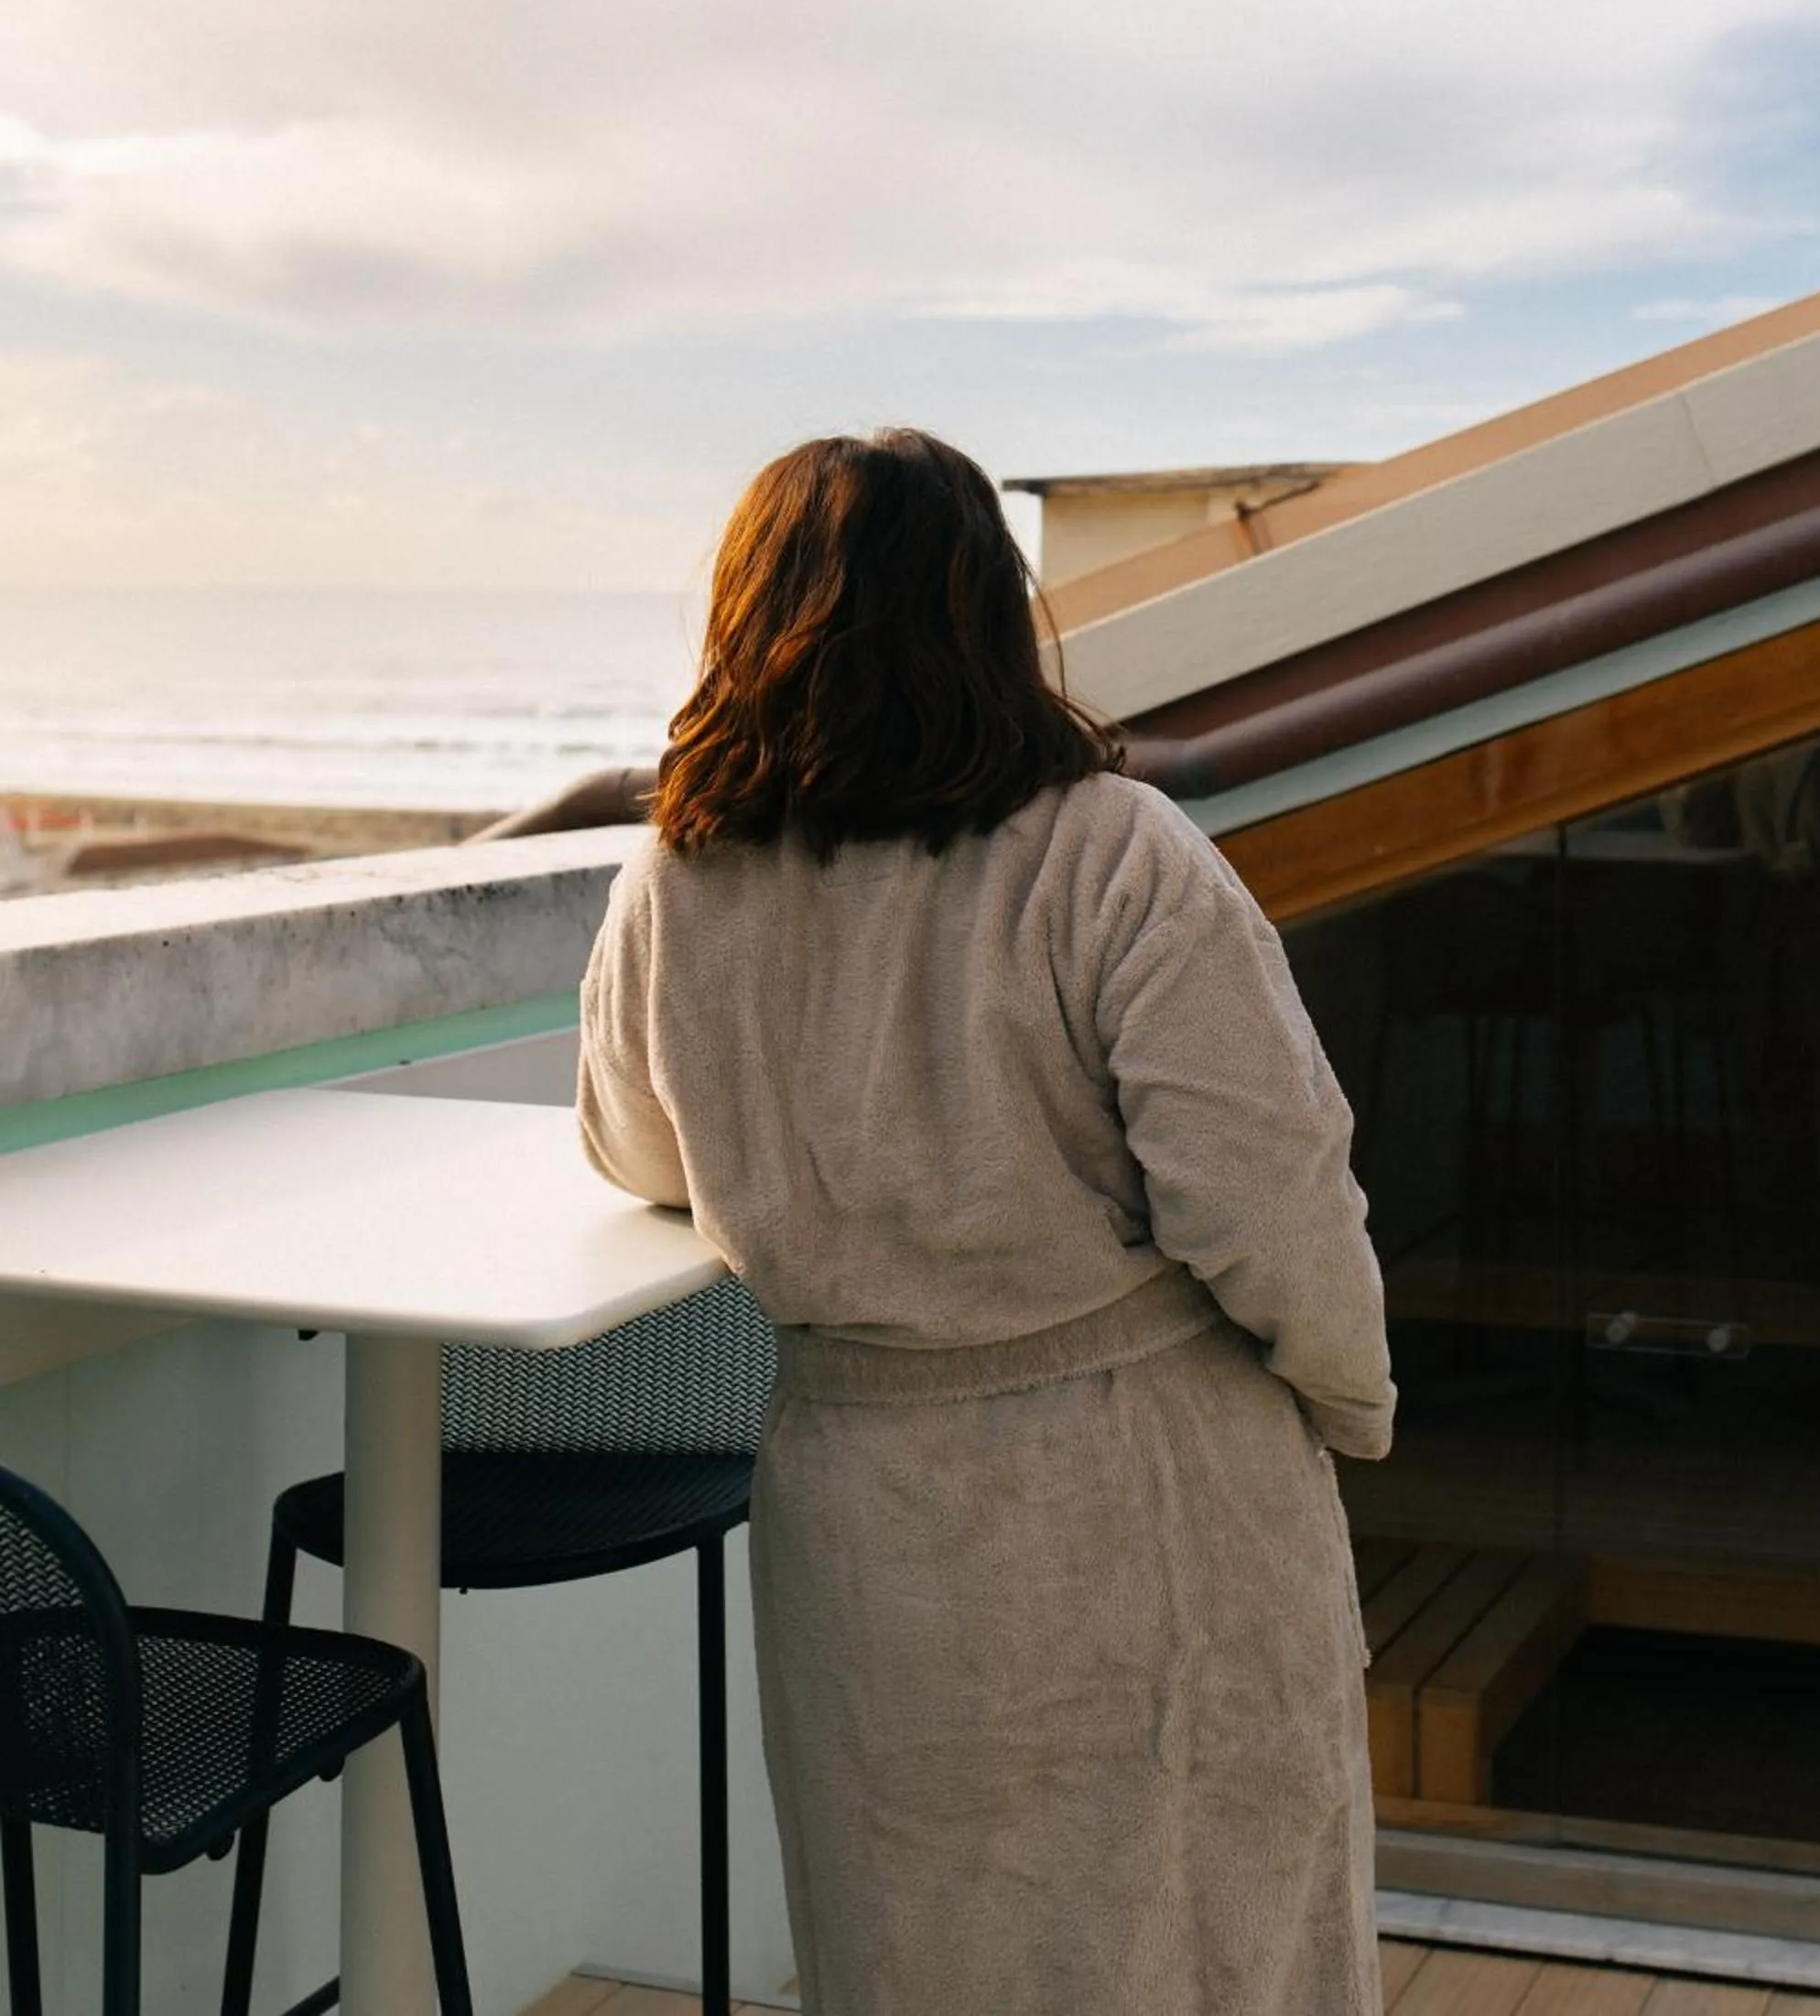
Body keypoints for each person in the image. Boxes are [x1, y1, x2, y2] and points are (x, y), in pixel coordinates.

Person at [575, 428, 1394, 2016]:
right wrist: (1347, 1399)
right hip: (1150, 1486)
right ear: (990, 615)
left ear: (749, 619)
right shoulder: (1114, 857)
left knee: (915, 1943)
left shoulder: (679, 884)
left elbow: (634, 1146)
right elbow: (1270, 1189)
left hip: (872, 1508)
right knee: (1212, 1940)